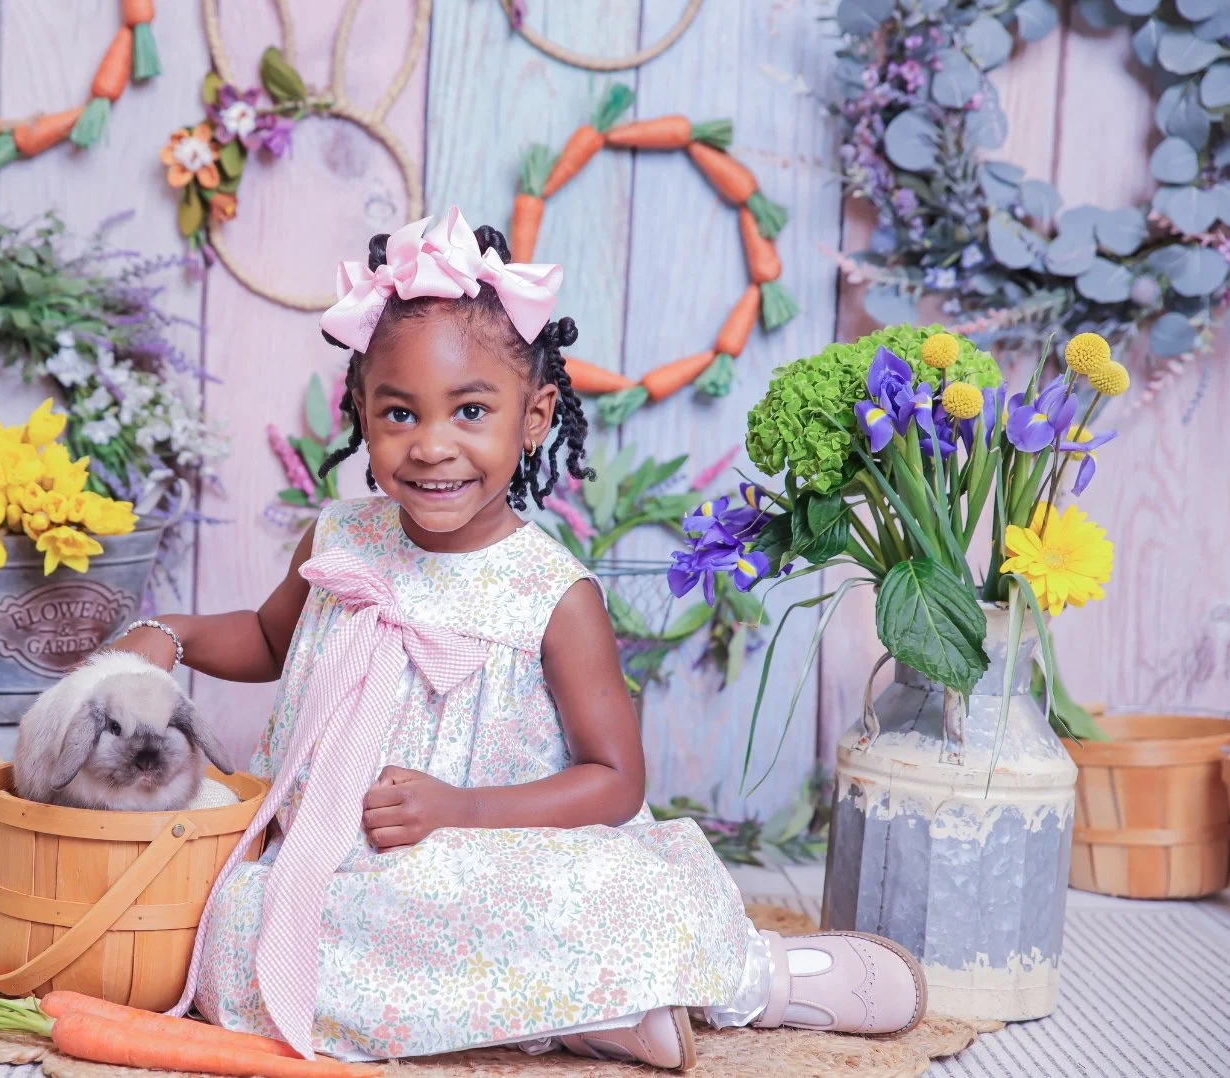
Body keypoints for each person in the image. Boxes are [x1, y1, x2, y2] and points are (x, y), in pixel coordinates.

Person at [105, 208, 924, 1070]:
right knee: (239, 925)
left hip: (495, 853)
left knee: (611, 892)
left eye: (469, 410)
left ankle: (762, 980)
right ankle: (581, 1009)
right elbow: (270, 640)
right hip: (341, 864)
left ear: (534, 417)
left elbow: (614, 781)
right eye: (398, 414)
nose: (431, 447)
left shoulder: (550, 593)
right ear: (361, 413)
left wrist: (459, 812)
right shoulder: (340, 537)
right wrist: (170, 635)